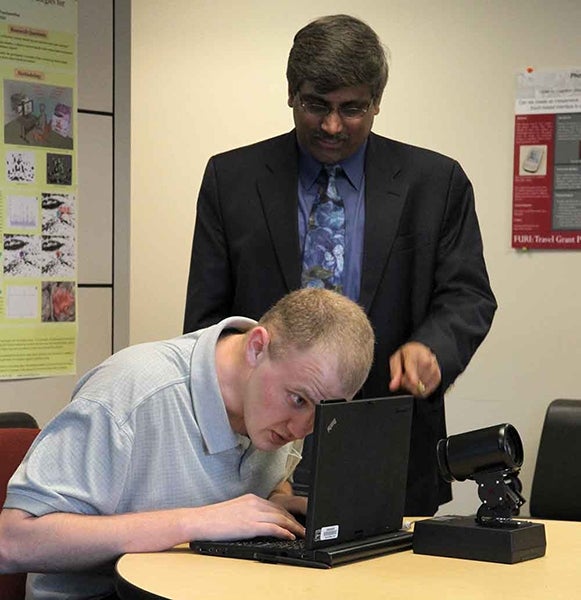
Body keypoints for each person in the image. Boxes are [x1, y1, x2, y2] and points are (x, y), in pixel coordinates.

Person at [183, 14, 497, 516]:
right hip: (256, 444)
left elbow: (468, 295)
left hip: (386, 435)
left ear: (377, 103)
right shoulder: (232, 179)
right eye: (316, 106)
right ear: (291, 92)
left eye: (352, 109)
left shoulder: (436, 183)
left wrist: (432, 347)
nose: (332, 126)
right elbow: (206, 321)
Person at [0, 288, 374, 599]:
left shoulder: (286, 404)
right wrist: (197, 521)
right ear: (257, 347)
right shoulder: (130, 394)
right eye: (298, 400)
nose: (303, 429)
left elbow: (265, 478)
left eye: (321, 414)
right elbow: (12, 541)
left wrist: (276, 502)